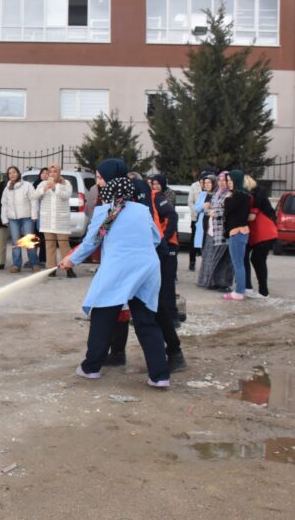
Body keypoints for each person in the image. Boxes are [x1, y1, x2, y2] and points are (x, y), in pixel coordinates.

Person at [59, 159, 170, 388]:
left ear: (110, 183)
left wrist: (70, 260)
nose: (98, 181)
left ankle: (91, 368)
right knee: (146, 321)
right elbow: (156, 238)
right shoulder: (141, 210)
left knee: (102, 316)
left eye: (99, 178)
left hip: (119, 268)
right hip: (148, 268)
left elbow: (91, 243)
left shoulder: (104, 212)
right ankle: (160, 376)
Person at [148, 173, 186, 373]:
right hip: (148, 253)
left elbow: (171, 216)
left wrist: (165, 237)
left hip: (165, 247)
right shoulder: (123, 204)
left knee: (164, 290)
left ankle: (172, 350)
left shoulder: (154, 198)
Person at [36, 163, 75, 277]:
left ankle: (68, 268)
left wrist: (55, 187)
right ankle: (51, 268)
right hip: (48, 220)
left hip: (61, 221)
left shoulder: (66, 183)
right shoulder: (43, 183)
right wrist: (44, 188)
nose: (52, 174)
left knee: (64, 245)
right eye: (50, 172)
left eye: (55, 171)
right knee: (50, 245)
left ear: (59, 173)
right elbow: (35, 195)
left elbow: (66, 195)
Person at [197, 172, 234, 291]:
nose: (222, 183)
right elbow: (207, 210)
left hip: (222, 231)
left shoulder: (229, 195)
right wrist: (211, 211)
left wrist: (215, 212)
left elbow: (228, 212)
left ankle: (223, 284)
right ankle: (209, 281)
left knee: (222, 260)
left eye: (224, 180)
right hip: (211, 230)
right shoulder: (217, 194)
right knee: (208, 258)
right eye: (220, 180)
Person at [244, 174, 277, 298]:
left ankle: (263, 291)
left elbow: (253, 213)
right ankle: (256, 288)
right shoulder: (256, 194)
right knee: (254, 259)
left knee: (257, 260)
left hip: (264, 233)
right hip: (260, 233)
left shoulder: (257, 193)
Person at [1, 166, 39, 274]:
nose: (11, 174)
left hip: (27, 217)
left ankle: (34, 263)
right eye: (9, 173)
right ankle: (16, 264)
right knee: (15, 242)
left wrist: (34, 215)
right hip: (13, 219)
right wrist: (4, 218)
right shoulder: (7, 188)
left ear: (18, 173)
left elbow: (33, 200)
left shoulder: (27, 185)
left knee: (29, 241)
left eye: (14, 172)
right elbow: (4, 204)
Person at [222, 169, 252, 301]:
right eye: (227, 181)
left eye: (231, 181)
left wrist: (227, 197)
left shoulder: (238, 195)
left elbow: (228, 208)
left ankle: (239, 292)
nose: (229, 184)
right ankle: (240, 289)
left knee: (237, 263)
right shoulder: (243, 195)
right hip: (239, 232)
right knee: (239, 263)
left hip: (237, 232)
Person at [191, 173, 215, 271]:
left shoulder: (218, 194)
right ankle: (205, 273)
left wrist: (210, 208)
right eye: (205, 183)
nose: (207, 185)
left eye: (209, 182)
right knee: (203, 250)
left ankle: (210, 273)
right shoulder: (203, 194)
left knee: (211, 251)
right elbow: (196, 208)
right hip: (202, 225)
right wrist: (203, 206)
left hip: (212, 227)